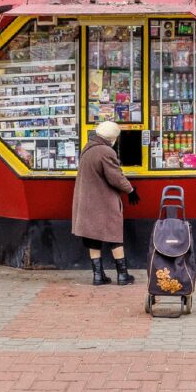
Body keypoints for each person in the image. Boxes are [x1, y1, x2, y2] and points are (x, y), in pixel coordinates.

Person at [72, 120, 140, 285]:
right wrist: (130, 190)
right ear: (113, 138)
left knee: (92, 237)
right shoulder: (105, 151)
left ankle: (98, 276)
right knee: (114, 235)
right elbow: (115, 177)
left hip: (87, 201)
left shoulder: (88, 148)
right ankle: (123, 275)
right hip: (102, 201)